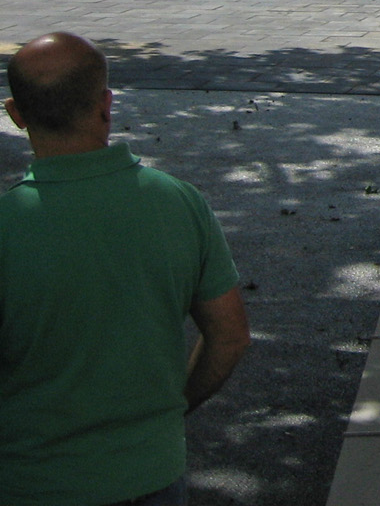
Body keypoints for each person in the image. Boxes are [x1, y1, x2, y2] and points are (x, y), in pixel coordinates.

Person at [0, 32, 251, 506]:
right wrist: (171, 410)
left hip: (31, 481)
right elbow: (231, 336)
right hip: (153, 472)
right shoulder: (178, 201)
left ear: (16, 114)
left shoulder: (7, 224)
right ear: (106, 104)